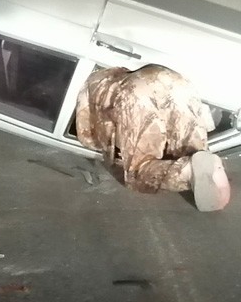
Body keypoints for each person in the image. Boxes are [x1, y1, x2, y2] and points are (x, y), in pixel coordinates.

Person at [74, 64, 232, 211]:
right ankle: (198, 163)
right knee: (186, 150)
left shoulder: (87, 89)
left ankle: (189, 170)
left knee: (138, 171)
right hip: (167, 83)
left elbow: (98, 134)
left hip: (150, 88)